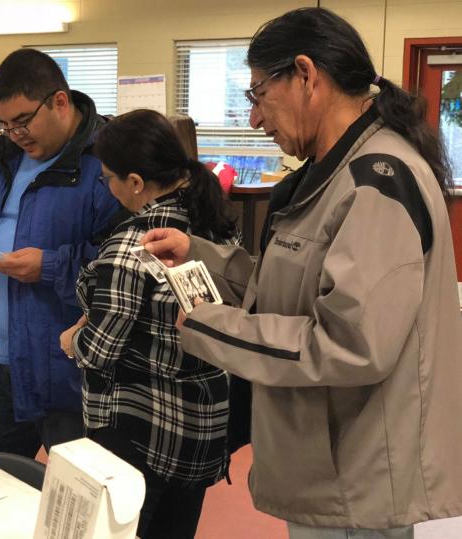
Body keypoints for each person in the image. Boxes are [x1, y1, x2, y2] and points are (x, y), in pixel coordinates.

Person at [142, 7, 462, 539]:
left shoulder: (375, 181)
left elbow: (348, 343)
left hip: (359, 475)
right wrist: (199, 255)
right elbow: (293, 283)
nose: (254, 119)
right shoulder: (331, 171)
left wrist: (209, 325)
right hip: (328, 464)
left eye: (258, 95)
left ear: (307, 75)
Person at [59, 109, 251, 538]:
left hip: (140, 437)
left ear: (136, 183)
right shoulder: (212, 227)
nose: (105, 186)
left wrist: (72, 339)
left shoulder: (133, 244)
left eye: (108, 176)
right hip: (201, 426)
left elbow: (100, 349)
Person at [0, 49, 120, 457]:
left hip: (71, 375)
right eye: (6, 124)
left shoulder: (109, 160)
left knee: (81, 505)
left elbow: (121, 262)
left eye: (24, 121)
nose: (16, 134)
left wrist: (50, 266)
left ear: (60, 102)